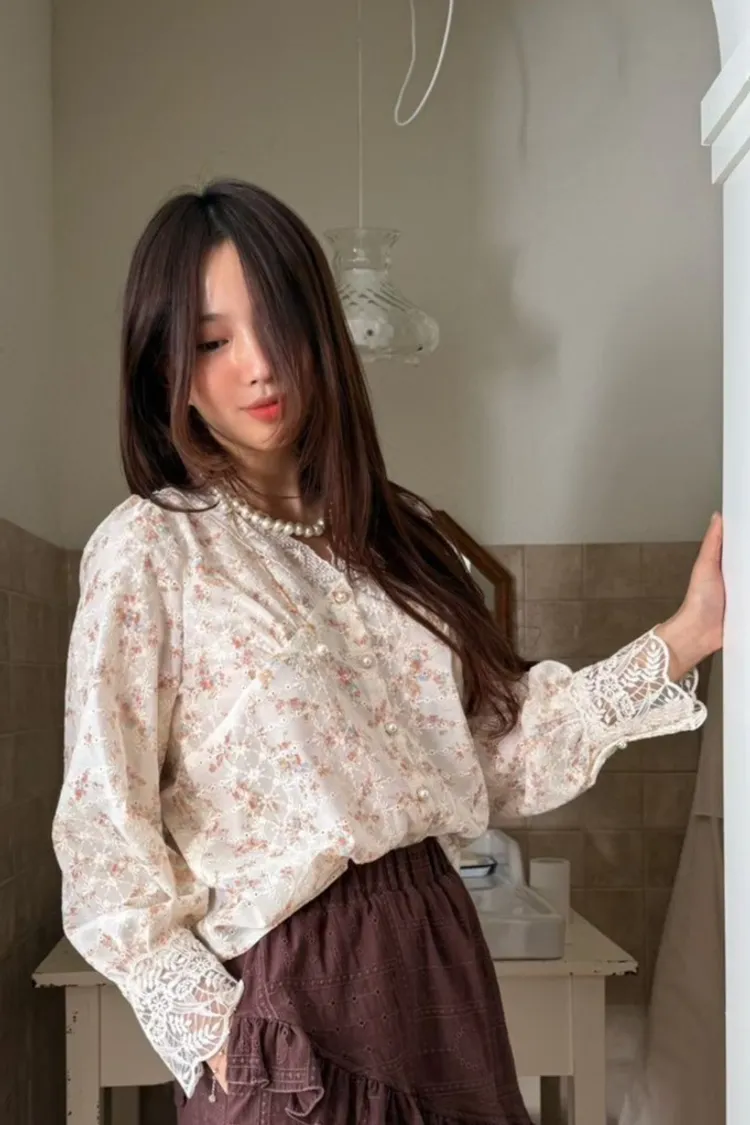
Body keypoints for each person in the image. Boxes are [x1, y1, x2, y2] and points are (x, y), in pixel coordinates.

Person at [52, 180, 724, 1125]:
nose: (259, 365)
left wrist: (689, 632)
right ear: (165, 366)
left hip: (439, 963)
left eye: (277, 323)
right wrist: (220, 1033)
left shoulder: (401, 537)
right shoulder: (152, 549)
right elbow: (101, 836)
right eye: (211, 341)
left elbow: (499, 752)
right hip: (288, 994)